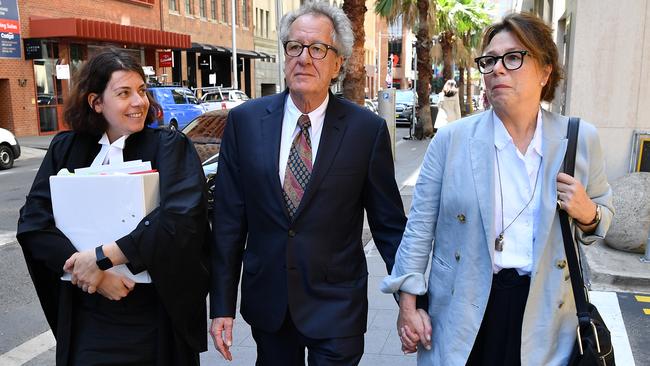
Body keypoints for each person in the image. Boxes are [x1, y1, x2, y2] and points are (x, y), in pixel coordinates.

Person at [381, 12, 613, 366]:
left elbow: (602, 217)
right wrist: (408, 307)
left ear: (546, 71)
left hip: (544, 312)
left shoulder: (579, 140)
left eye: (513, 58)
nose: (497, 69)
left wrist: (588, 213)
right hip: (465, 306)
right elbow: (418, 229)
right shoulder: (451, 141)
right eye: (489, 61)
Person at [208, 2, 408, 364]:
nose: (304, 58)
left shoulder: (366, 131)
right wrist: (221, 305)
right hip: (269, 304)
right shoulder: (245, 123)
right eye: (295, 47)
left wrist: (409, 300)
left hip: (337, 306)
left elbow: (389, 226)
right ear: (284, 55)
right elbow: (227, 224)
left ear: (338, 64)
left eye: (318, 49)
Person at [17, 49, 209, 365]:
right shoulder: (66, 149)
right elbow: (34, 222)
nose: (139, 102)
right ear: (96, 102)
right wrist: (92, 273)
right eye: (124, 93)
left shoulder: (169, 146)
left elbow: (181, 217)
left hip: (154, 314)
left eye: (142, 91)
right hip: (88, 315)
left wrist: (103, 258)